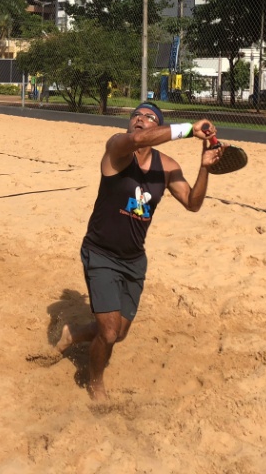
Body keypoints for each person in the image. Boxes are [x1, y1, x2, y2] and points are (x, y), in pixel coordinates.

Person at [54, 102, 222, 401]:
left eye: (149, 118)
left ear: (157, 126)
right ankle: (95, 385)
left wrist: (205, 167)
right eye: (137, 115)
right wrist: (187, 129)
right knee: (107, 334)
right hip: (101, 252)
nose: (140, 120)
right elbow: (135, 141)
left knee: (119, 333)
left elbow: (193, 203)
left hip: (134, 260)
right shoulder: (117, 148)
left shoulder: (168, 166)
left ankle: (75, 333)